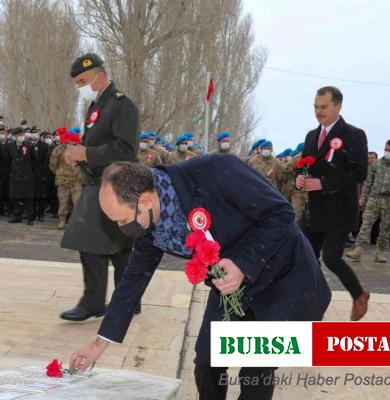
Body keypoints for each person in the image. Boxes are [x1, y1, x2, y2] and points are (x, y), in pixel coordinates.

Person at [68, 158, 331, 400]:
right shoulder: (153, 226)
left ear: (145, 201)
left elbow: (281, 215)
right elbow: (133, 280)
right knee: (207, 362)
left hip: (282, 277)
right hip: (229, 286)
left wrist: (242, 265)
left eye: (122, 219)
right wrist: (99, 344)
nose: (121, 228)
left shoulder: (217, 171)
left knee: (255, 368)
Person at [60, 53, 140, 321]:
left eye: (84, 81)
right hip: (97, 181)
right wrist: (77, 156)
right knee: (117, 246)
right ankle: (128, 300)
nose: (82, 87)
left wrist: (87, 154)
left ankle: (95, 302)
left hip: (116, 184)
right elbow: (92, 142)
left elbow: (126, 148)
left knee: (93, 243)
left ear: (100, 75)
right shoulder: (96, 107)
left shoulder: (122, 105)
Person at [296, 86, 369, 321]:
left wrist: (324, 183)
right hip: (314, 210)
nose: (319, 112)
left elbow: (359, 173)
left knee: (331, 258)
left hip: (339, 210)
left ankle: (358, 294)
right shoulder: (310, 136)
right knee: (306, 257)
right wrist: (300, 178)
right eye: (316, 107)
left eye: (324, 107)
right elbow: (305, 166)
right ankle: (312, 302)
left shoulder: (354, 135)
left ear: (338, 106)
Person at [345, 140, 390, 262]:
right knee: (365, 225)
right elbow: (368, 182)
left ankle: (380, 253)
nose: (388, 152)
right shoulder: (377, 164)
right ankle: (358, 250)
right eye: (386, 149)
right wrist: (363, 197)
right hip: (374, 198)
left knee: (386, 228)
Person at [49, 127, 82, 230]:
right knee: (63, 202)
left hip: (77, 181)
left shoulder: (80, 149)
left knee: (77, 202)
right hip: (63, 181)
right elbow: (52, 164)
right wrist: (60, 173)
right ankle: (62, 221)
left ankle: (76, 222)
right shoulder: (58, 150)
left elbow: (85, 164)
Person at [6, 127, 35, 225]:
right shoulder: (10, 146)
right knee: (15, 197)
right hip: (15, 175)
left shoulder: (29, 145)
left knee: (28, 197)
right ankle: (17, 216)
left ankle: (30, 218)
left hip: (26, 176)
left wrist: (32, 173)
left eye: (22, 135)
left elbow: (35, 161)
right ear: (15, 136)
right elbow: (7, 160)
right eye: (19, 135)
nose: (21, 137)